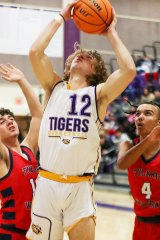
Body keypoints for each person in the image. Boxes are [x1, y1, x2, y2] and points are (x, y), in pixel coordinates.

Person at [26, 1, 136, 239]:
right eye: (77, 55)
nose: (80, 56)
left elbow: (128, 71)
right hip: (47, 182)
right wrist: (61, 17)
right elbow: (35, 52)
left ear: (95, 71)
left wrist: (110, 32)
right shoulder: (53, 86)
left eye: (87, 57)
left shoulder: (99, 95)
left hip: (80, 187)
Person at [0, 64, 42, 240]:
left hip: (36, 233)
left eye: (11, 118)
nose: (9, 122)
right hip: (11, 234)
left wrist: (22, 80)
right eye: (1, 121)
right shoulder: (3, 156)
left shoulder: (28, 148)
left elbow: (39, 115)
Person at [117, 102, 160, 240]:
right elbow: (122, 164)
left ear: (158, 123)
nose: (140, 117)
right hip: (140, 223)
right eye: (138, 114)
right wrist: (149, 140)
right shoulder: (128, 145)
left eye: (147, 113)